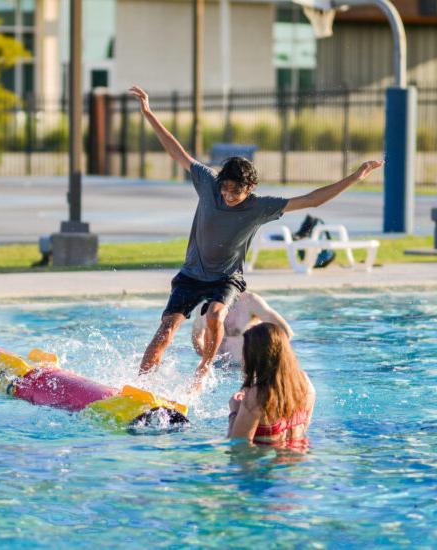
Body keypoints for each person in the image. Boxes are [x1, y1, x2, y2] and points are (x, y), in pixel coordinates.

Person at [130, 84, 383, 391]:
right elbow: (177, 152)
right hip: (191, 274)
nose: (227, 195)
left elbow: (312, 200)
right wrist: (148, 113)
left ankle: (203, 371)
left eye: (234, 191)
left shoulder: (260, 207)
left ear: (249, 188)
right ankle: (139, 385)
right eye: (224, 189)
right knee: (166, 330)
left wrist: (355, 177)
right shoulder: (209, 183)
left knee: (215, 315)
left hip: (226, 278)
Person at [227, 323, 315, 448]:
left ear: (255, 357)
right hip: (300, 463)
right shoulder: (306, 383)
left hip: (265, 465)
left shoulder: (257, 396)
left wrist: (234, 412)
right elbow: (304, 428)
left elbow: (237, 447)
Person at [191, 291, 293, 365]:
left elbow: (285, 331)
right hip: (217, 371)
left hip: (244, 371)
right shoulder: (204, 305)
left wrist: (268, 358)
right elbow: (196, 337)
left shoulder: (250, 301)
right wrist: (208, 359)